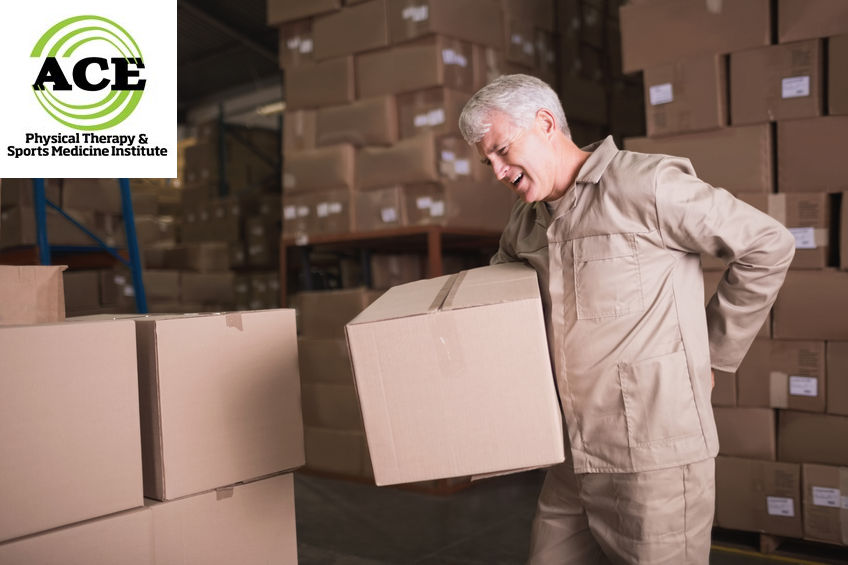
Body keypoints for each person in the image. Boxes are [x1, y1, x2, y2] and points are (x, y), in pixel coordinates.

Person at [458, 74, 795, 565]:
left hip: (653, 460)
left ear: (546, 123)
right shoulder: (524, 222)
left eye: (502, 150)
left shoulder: (646, 185)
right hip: (570, 457)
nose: (496, 170)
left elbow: (768, 245)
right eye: (486, 160)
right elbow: (502, 308)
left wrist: (713, 356)